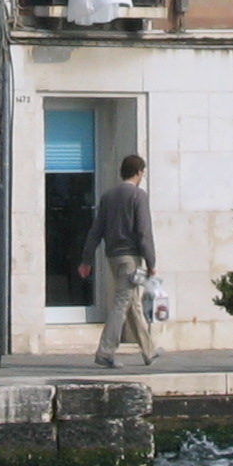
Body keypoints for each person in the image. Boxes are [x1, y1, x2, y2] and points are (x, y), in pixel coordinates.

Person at [77, 154, 159, 368]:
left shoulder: (108, 196)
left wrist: (86, 259)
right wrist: (151, 261)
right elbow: (143, 232)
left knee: (132, 303)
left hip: (113, 257)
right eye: (143, 173)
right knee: (122, 303)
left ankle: (148, 349)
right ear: (139, 172)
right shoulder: (138, 196)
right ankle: (105, 352)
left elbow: (96, 231)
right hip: (131, 258)